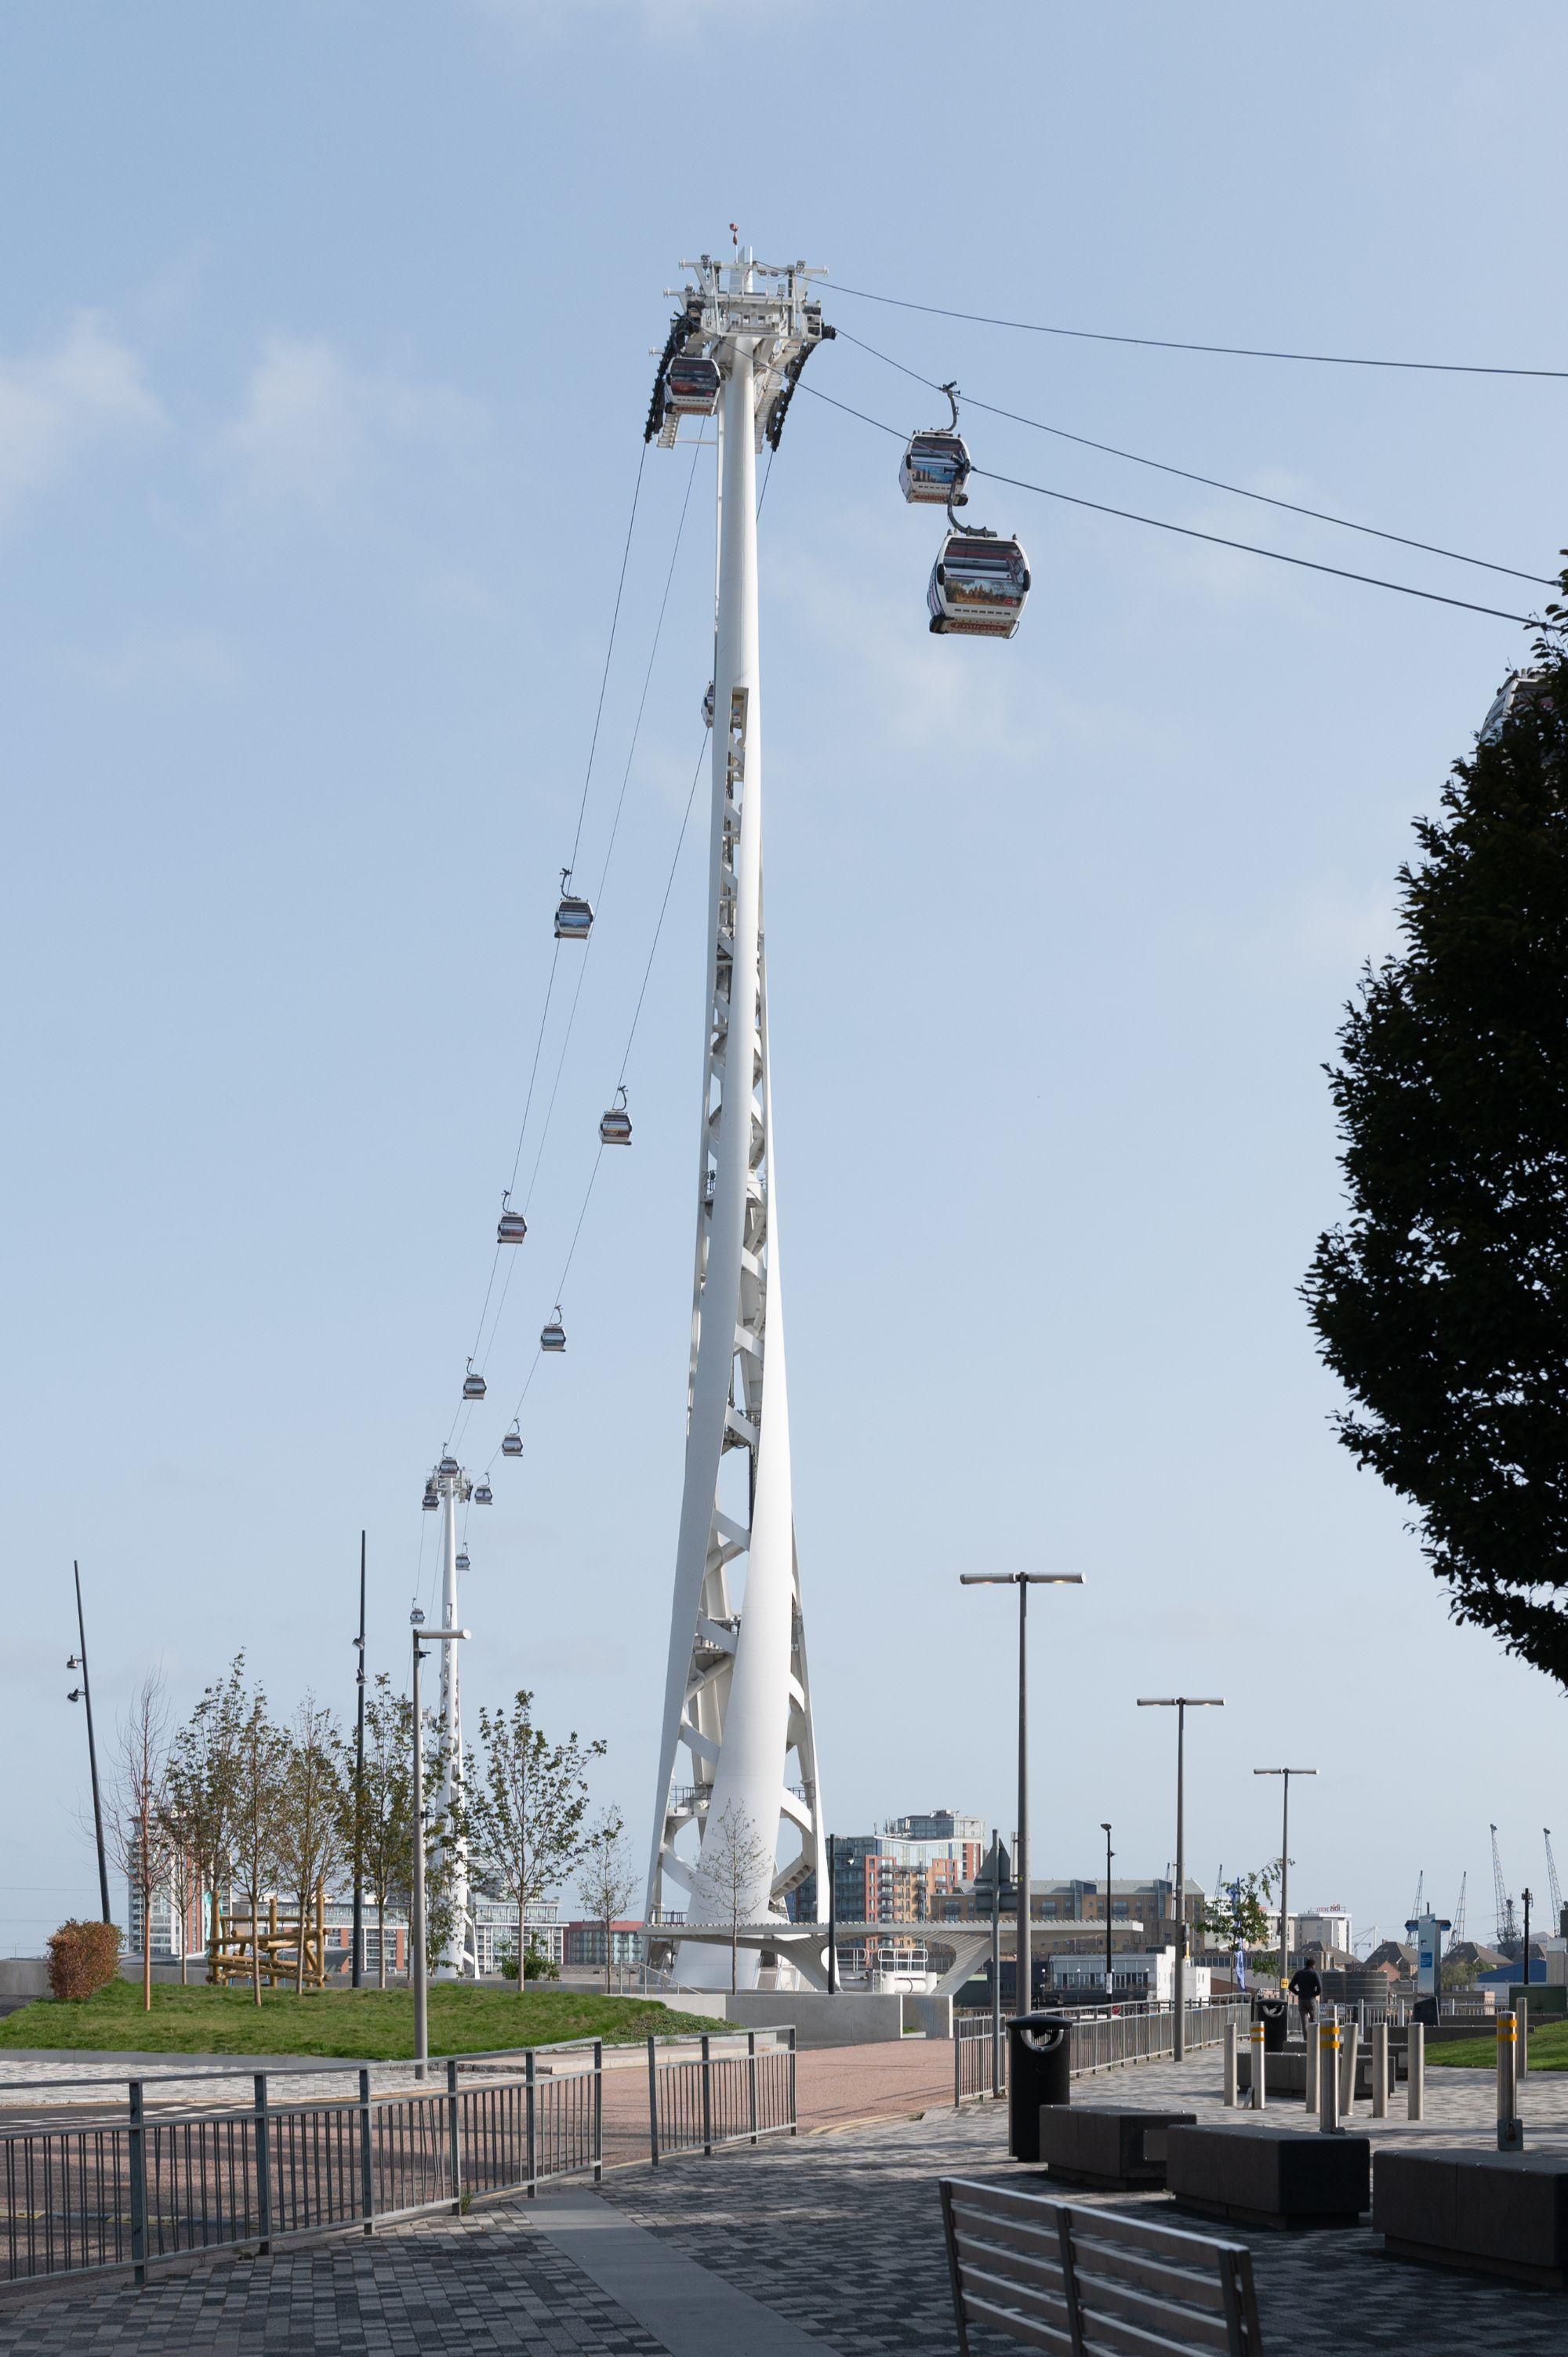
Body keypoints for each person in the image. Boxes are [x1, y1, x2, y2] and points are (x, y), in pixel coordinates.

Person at [1287, 1959, 1322, 2043]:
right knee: (1314, 2020)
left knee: (1304, 2022)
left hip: (1301, 1999)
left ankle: (1307, 2040)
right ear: (1313, 1965)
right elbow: (1320, 1988)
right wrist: (1315, 1994)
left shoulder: (1299, 1973)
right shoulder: (1314, 1974)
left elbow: (1291, 1986)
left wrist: (1298, 1993)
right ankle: (1314, 2039)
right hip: (1311, 1999)